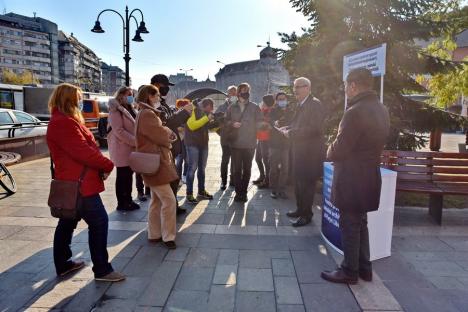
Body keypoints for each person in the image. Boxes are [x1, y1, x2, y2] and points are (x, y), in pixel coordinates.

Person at [47, 83, 125, 282]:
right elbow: (83, 152)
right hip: (80, 185)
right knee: (99, 222)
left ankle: (63, 264)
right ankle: (102, 270)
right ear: (70, 100)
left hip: (75, 182)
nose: (81, 102)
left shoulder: (63, 120)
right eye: (78, 98)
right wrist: (107, 164)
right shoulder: (64, 123)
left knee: (67, 222)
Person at [321, 68, 390, 284]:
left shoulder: (354, 111)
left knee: (350, 224)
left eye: (345, 87)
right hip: (369, 174)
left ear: (353, 85)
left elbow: (341, 148)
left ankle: (349, 271)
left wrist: (329, 150)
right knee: (361, 222)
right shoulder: (381, 109)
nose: (345, 91)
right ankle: (364, 268)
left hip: (351, 178)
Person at [135, 85, 179, 249]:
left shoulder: (143, 112)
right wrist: (168, 134)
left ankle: (154, 234)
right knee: (169, 200)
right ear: (149, 96)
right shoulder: (147, 114)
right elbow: (159, 135)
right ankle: (168, 236)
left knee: (156, 200)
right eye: (157, 95)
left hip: (151, 161)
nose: (160, 98)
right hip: (156, 162)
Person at [281, 77, 326, 227]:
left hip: (309, 154)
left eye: (298, 87)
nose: (295, 90)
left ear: (307, 87)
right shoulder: (301, 104)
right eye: (294, 87)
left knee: (307, 185)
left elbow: (315, 129)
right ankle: (300, 209)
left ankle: (307, 215)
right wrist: (288, 128)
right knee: (299, 183)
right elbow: (297, 124)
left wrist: (292, 133)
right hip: (299, 151)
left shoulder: (315, 104)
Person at [150, 74, 192, 215]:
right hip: (162, 148)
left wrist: (182, 113)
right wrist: (184, 112)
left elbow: (171, 118)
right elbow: (167, 122)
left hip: (170, 147)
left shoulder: (162, 103)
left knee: (173, 178)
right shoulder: (153, 104)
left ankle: (172, 205)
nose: (167, 89)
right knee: (169, 180)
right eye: (165, 86)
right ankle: (170, 208)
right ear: (156, 85)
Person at [225, 82, 261, 202]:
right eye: (243, 91)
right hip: (235, 143)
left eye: (247, 91)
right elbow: (225, 121)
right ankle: (238, 192)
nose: (245, 93)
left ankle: (244, 192)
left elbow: (259, 122)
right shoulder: (231, 107)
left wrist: (262, 126)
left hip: (250, 143)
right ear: (239, 92)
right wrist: (232, 123)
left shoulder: (255, 107)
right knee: (236, 170)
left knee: (247, 169)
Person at [107, 86, 141, 211]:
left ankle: (129, 200)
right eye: (128, 94)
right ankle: (122, 203)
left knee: (128, 175)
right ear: (121, 95)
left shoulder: (130, 108)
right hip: (121, 147)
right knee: (122, 175)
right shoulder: (115, 109)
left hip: (130, 148)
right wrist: (135, 141)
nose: (131, 96)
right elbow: (118, 131)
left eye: (132, 94)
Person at [184, 98, 217, 204]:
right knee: (192, 168)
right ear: (204, 105)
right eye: (210, 107)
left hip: (203, 144)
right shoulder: (192, 110)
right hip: (192, 144)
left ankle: (201, 192)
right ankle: (189, 194)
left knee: (202, 168)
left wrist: (219, 122)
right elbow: (192, 125)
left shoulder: (205, 113)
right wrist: (207, 118)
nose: (211, 109)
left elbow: (208, 128)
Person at [269, 92, 294, 199]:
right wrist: (274, 122)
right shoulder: (273, 111)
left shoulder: (291, 111)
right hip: (274, 144)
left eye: (283, 99)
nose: (282, 101)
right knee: (273, 168)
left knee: (285, 168)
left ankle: (282, 189)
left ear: (287, 100)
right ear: (276, 101)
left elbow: (294, 123)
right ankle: (274, 190)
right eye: (279, 99)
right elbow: (270, 122)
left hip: (286, 144)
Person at [215, 86, 237, 190]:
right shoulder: (222, 107)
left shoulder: (239, 107)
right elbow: (217, 122)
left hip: (237, 138)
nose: (233, 95)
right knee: (225, 160)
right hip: (226, 138)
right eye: (230, 93)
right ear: (227, 94)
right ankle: (223, 181)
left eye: (234, 93)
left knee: (235, 160)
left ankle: (233, 179)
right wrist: (222, 133)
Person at [253, 94, 274, 189]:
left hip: (267, 139)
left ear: (267, 103)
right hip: (260, 138)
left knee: (266, 160)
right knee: (257, 158)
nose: (262, 103)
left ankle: (267, 180)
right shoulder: (262, 111)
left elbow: (267, 125)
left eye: (263, 101)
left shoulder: (272, 112)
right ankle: (262, 176)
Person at [175, 98, 192, 183]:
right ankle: (179, 178)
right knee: (179, 160)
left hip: (187, 140)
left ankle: (184, 175)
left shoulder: (190, 115)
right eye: (180, 107)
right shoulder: (175, 115)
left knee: (187, 159)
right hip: (179, 141)